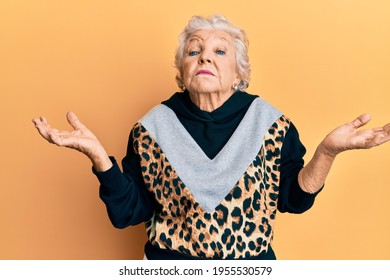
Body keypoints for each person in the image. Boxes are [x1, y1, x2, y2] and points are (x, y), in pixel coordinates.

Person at [32, 15, 390, 260]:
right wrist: (100, 159)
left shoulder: (270, 123)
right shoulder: (151, 128)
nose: (205, 56)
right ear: (183, 71)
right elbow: (128, 212)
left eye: (220, 51)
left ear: (239, 73)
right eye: (194, 51)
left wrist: (327, 152)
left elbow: (293, 200)